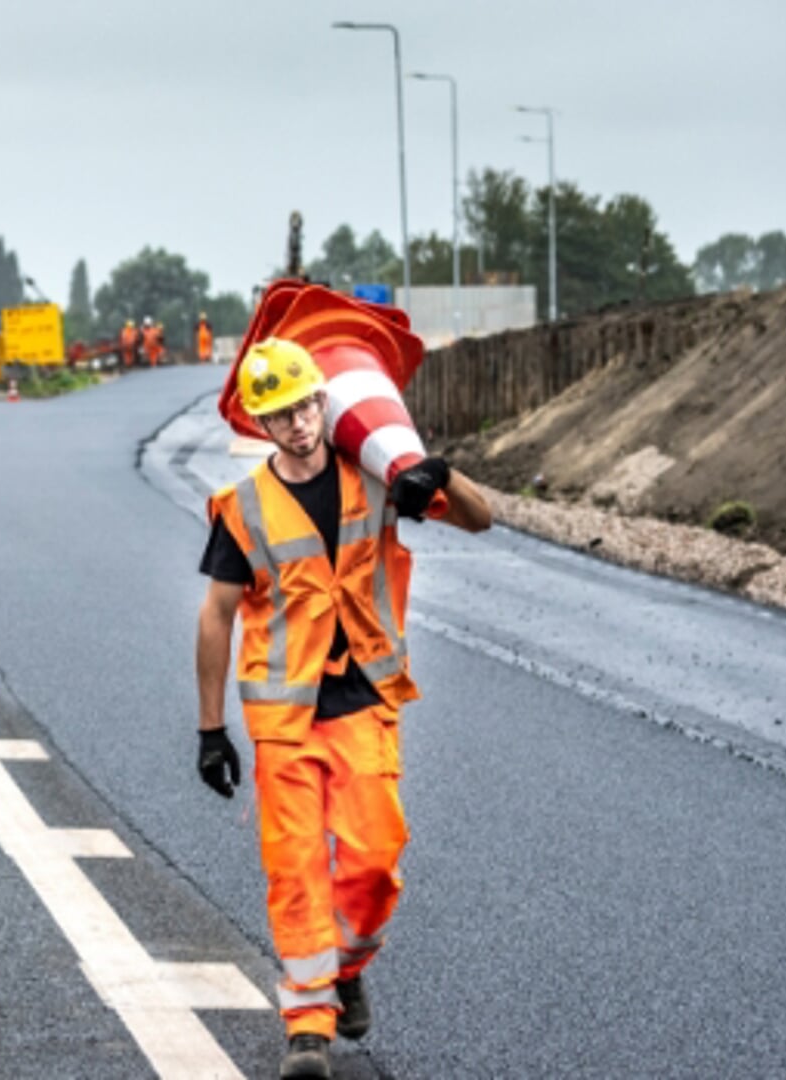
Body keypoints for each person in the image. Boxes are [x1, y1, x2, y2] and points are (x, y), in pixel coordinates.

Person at [195, 338, 490, 1079]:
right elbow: (215, 615)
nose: (296, 424)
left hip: (363, 704)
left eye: (304, 406)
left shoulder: (376, 480)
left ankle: (347, 966)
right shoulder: (242, 509)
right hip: (282, 719)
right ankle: (307, 1024)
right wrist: (209, 730)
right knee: (293, 869)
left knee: (373, 861)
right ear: (258, 426)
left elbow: (481, 520)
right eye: (278, 415)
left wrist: (438, 472)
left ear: (322, 401)